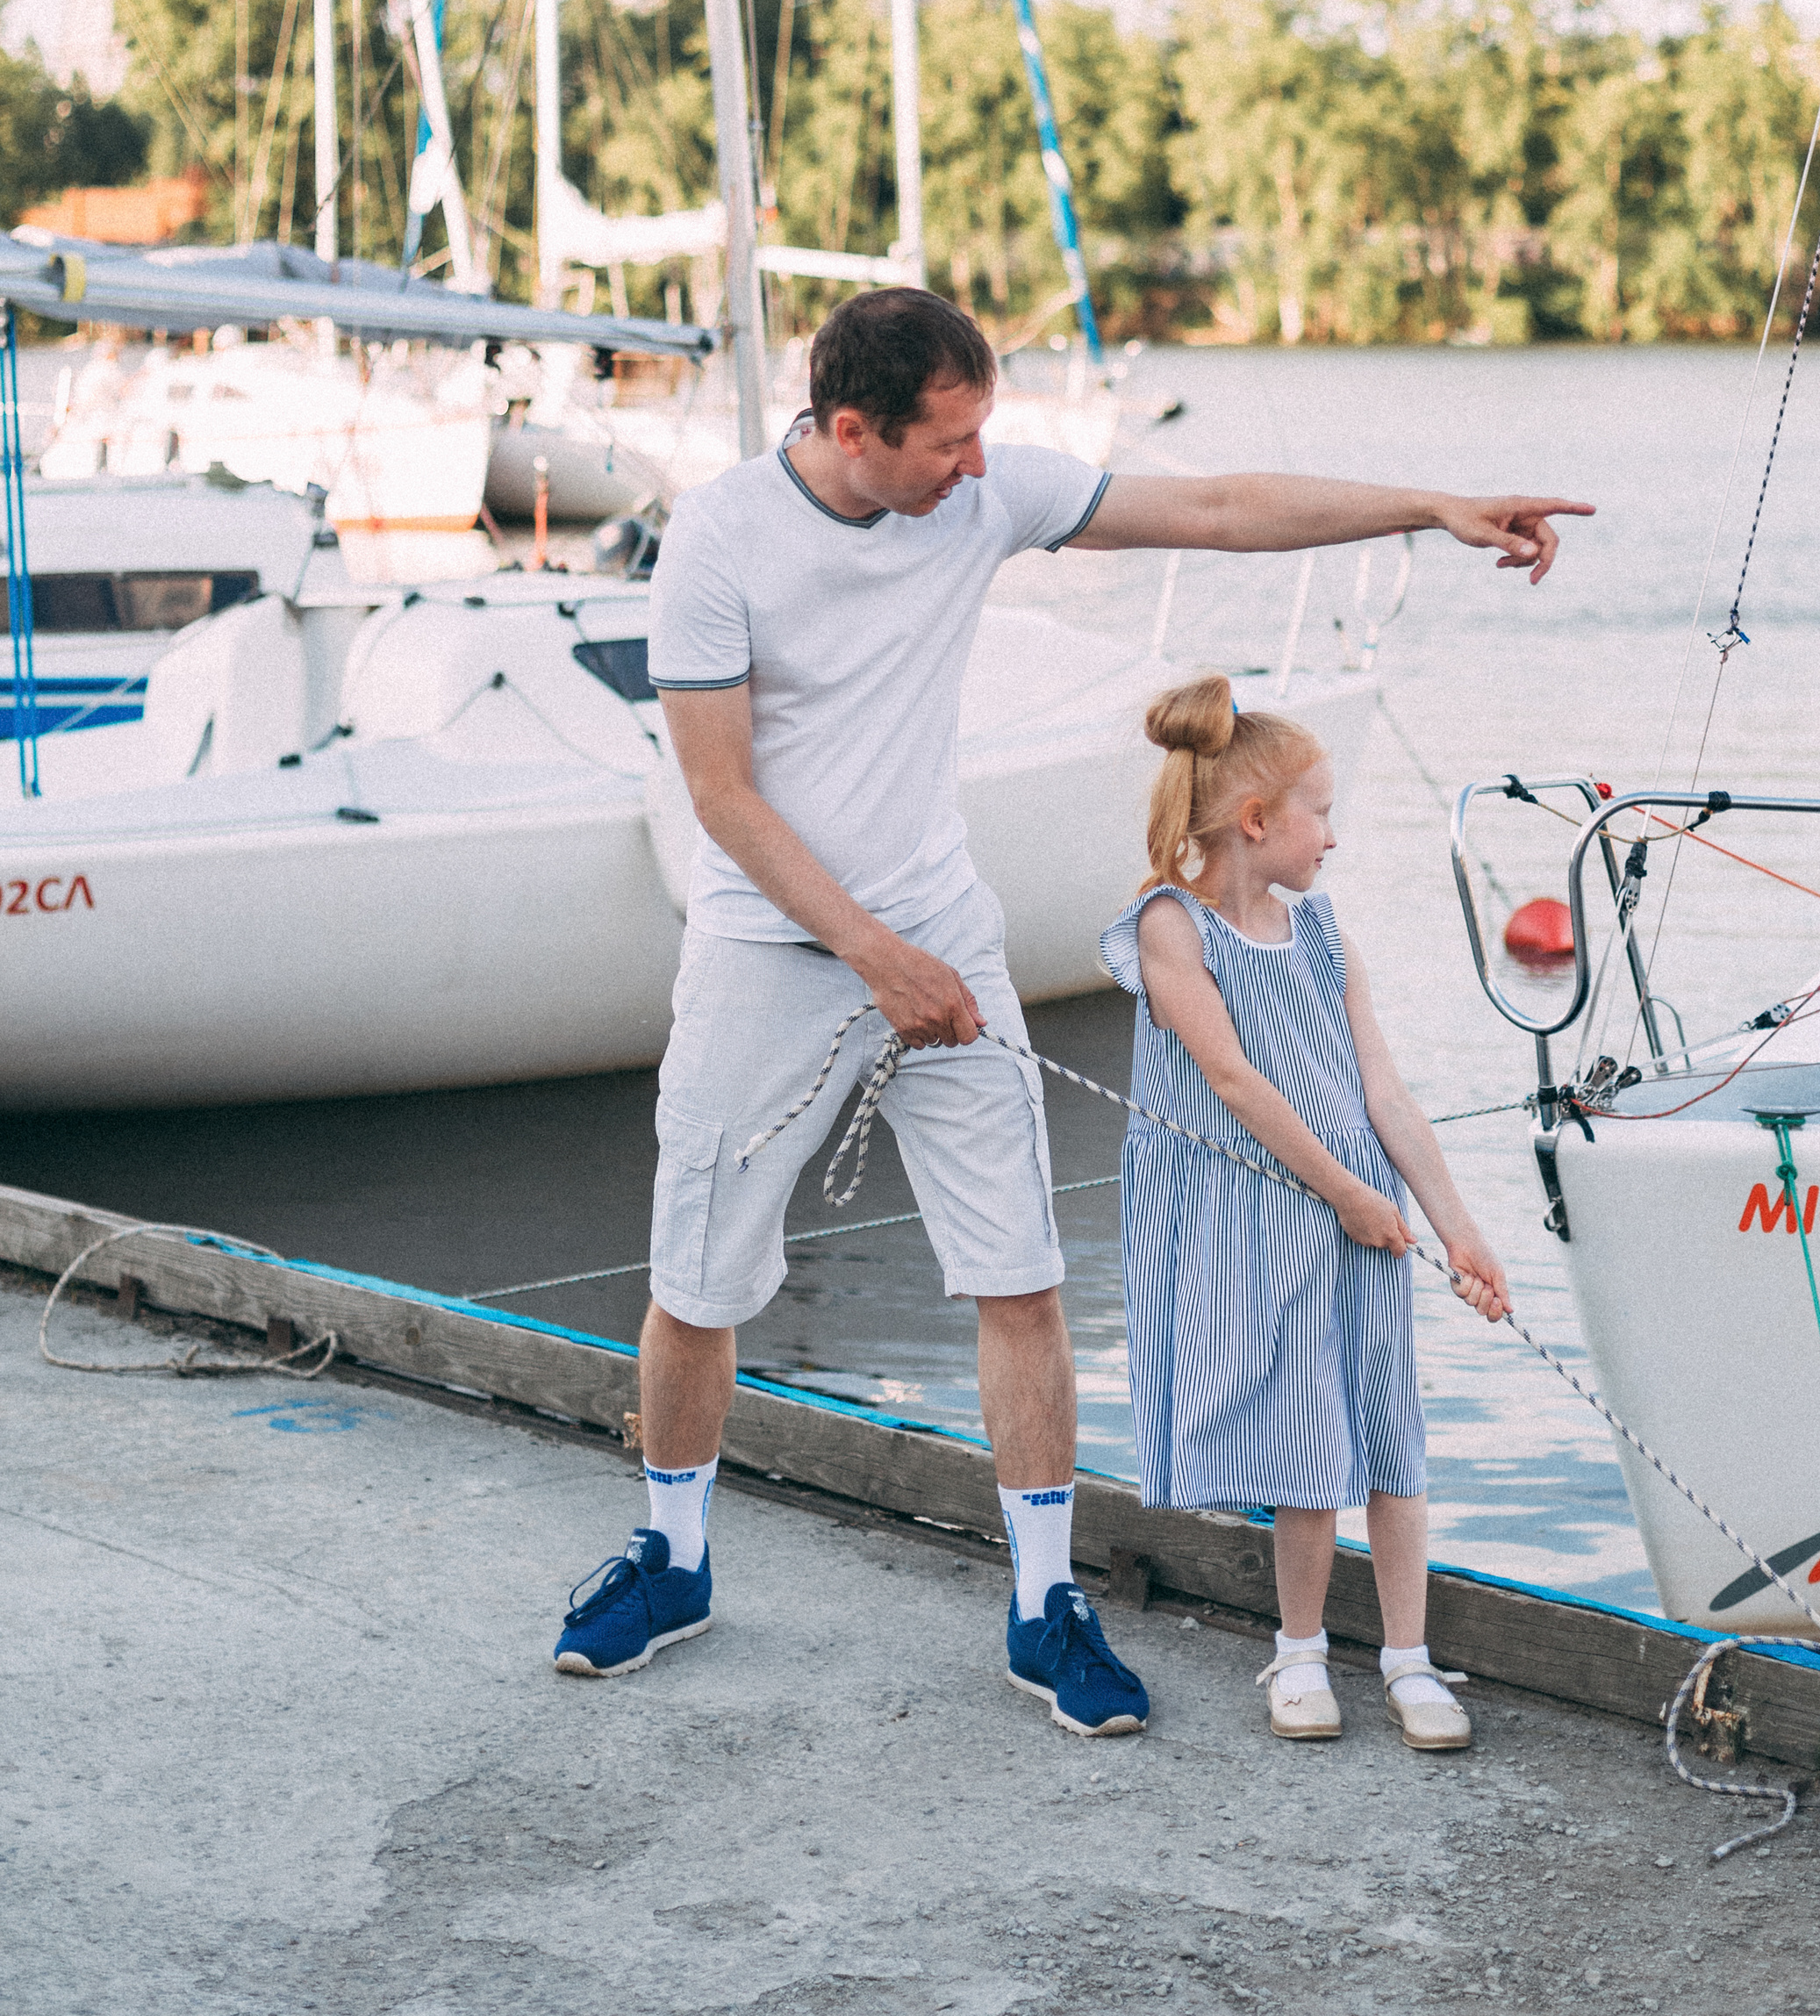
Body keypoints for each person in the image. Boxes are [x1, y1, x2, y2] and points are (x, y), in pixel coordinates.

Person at [552, 286, 1586, 1734]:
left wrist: (1432, 507)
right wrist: (868, 955)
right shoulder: (720, 541)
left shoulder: (976, 497)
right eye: (949, 443)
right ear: (853, 430)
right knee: (698, 1286)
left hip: (939, 928)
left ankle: (1045, 1607)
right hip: (767, 951)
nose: (980, 471)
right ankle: (673, 1559)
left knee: (1021, 1277)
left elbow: (1220, 506)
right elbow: (723, 797)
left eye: (987, 438)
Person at [1100, 675, 1509, 1751]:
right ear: (1255, 821)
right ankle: (1298, 1654)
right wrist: (1350, 1196)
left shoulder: (1322, 931)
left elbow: (1385, 1091)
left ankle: (1410, 1662)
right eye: (1319, 812)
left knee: (1387, 1434)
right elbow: (1231, 1080)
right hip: (1266, 1217)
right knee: (1304, 1442)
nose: (1333, 834)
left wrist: (1455, 1224)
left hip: (1361, 1216)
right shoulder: (1168, 927)